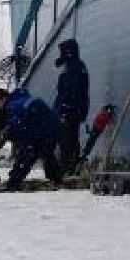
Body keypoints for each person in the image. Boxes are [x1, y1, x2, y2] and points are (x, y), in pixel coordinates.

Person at [4, 94, 64, 191]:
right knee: (47, 154)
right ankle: (57, 180)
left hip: (42, 129)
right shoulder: (21, 100)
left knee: (28, 154)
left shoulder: (14, 105)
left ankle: (14, 182)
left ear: (3, 99)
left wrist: (11, 134)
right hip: (51, 128)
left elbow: (20, 126)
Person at [53, 39, 90, 171]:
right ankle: (68, 166)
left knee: (68, 140)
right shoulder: (71, 67)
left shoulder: (75, 68)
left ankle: (69, 167)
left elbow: (72, 92)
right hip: (67, 110)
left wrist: (64, 109)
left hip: (70, 111)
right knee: (68, 139)